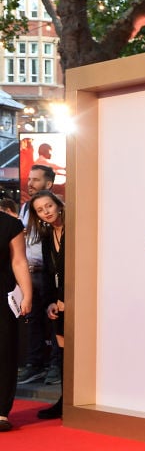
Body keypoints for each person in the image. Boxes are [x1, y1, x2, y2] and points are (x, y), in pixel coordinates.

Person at [18, 165, 60, 386]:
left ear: (49, 184)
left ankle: (55, 365)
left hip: (51, 274)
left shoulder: (55, 209)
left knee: (55, 321)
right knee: (32, 320)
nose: (30, 183)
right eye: (29, 179)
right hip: (30, 274)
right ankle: (34, 364)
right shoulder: (26, 208)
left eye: (35, 179)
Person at [27, 190, 65, 420]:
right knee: (62, 352)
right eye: (40, 210)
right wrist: (52, 301)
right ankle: (65, 400)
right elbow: (51, 274)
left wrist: (65, 298)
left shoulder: (75, 228)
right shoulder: (46, 235)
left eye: (48, 206)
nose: (46, 212)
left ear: (58, 204)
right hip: (59, 303)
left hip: (78, 298)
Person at [0, 200, 32, 431]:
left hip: (2, 296)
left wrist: (27, 295)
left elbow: (19, 261)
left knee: (4, 350)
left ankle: (1, 411)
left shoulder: (10, 224)